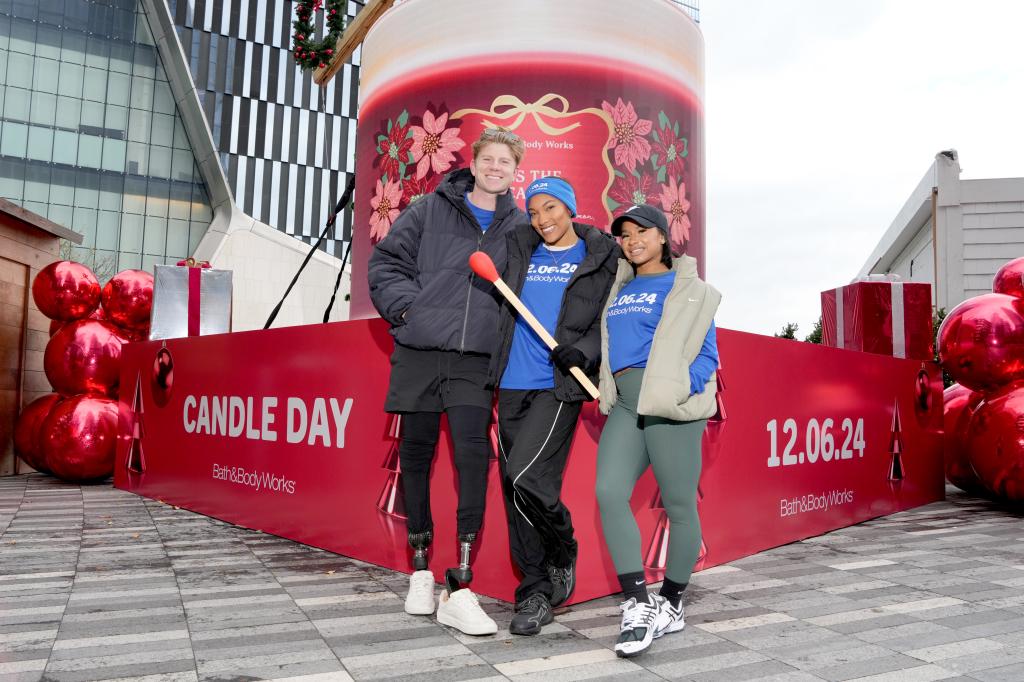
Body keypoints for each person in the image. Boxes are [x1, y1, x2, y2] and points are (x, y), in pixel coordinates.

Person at [368, 127, 527, 636]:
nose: (495, 167)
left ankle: (460, 583)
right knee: (414, 457)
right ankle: (419, 570)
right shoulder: (428, 209)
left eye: (505, 161)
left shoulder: (520, 227)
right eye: (489, 158)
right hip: (418, 351)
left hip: (474, 362)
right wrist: (409, 310)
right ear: (474, 162)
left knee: (471, 459)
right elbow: (386, 263)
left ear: (514, 170)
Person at [488, 177, 619, 636]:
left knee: (524, 474)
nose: (542, 219)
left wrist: (584, 349)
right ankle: (536, 591)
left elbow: (610, 317)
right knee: (515, 490)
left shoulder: (601, 256)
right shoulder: (518, 250)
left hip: (558, 385)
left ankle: (563, 547)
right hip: (509, 383)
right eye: (535, 211)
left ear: (571, 208)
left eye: (551, 208)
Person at [594, 204, 721, 658]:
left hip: (669, 405)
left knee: (679, 504)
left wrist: (677, 388)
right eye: (624, 236)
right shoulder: (621, 288)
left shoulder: (691, 289)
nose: (631, 241)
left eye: (640, 232)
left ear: (664, 236)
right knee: (609, 492)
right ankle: (637, 602)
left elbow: (707, 354)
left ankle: (671, 601)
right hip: (626, 404)